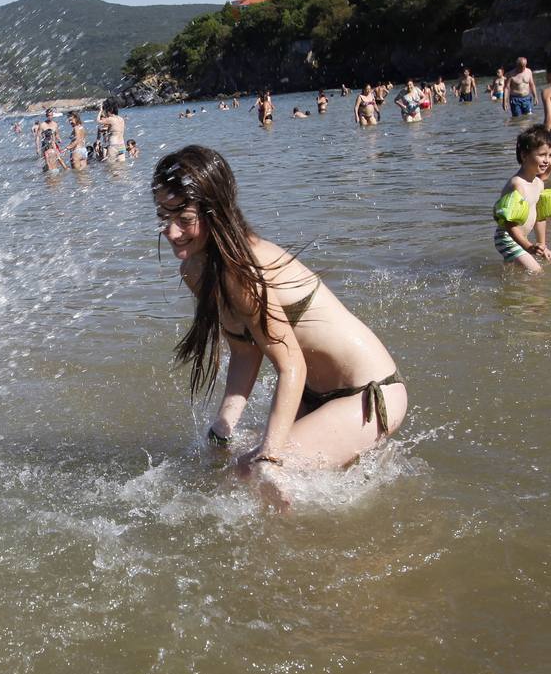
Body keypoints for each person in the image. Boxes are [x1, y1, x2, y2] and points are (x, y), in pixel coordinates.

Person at [152, 146, 406, 509]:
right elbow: (244, 350)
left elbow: (291, 365)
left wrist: (270, 458)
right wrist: (223, 427)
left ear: (215, 210)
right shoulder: (196, 270)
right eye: (163, 215)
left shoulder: (242, 269)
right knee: (227, 461)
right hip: (314, 398)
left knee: (250, 472)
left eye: (184, 217)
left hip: (367, 394)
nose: (171, 231)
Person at [493, 127, 551, 274]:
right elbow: (509, 223)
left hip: (520, 237)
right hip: (507, 237)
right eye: (542, 155)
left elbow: (540, 216)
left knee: (514, 274)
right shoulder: (517, 185)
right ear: (524, 155)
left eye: (550, 155)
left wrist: (542, 244)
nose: (547, 160)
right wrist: (527, 246)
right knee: (537, 271)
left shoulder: (539, 184)